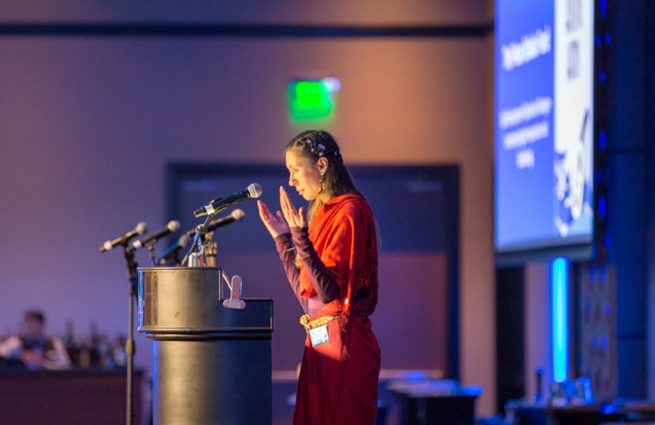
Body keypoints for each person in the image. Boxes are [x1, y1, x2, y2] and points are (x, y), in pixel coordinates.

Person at [258, 130, 381, 425]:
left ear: (322, 166)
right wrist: (284, 242)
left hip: (344, 346)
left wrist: (300, 239)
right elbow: (308, 298)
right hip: (322, 341)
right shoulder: (321, 213)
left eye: (295, 170)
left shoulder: (349, 210)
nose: (291, 181)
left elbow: (329, 293)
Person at [0, 310, 71, 370]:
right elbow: (2, 352)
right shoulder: (16, 342)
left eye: (34, 323)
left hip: (48, 382)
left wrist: (43, 363)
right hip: (23, 382)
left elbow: (65, 367)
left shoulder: (54, 343)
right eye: (28, 324)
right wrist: (21, 356)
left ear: (42, 324)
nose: (30, 327)